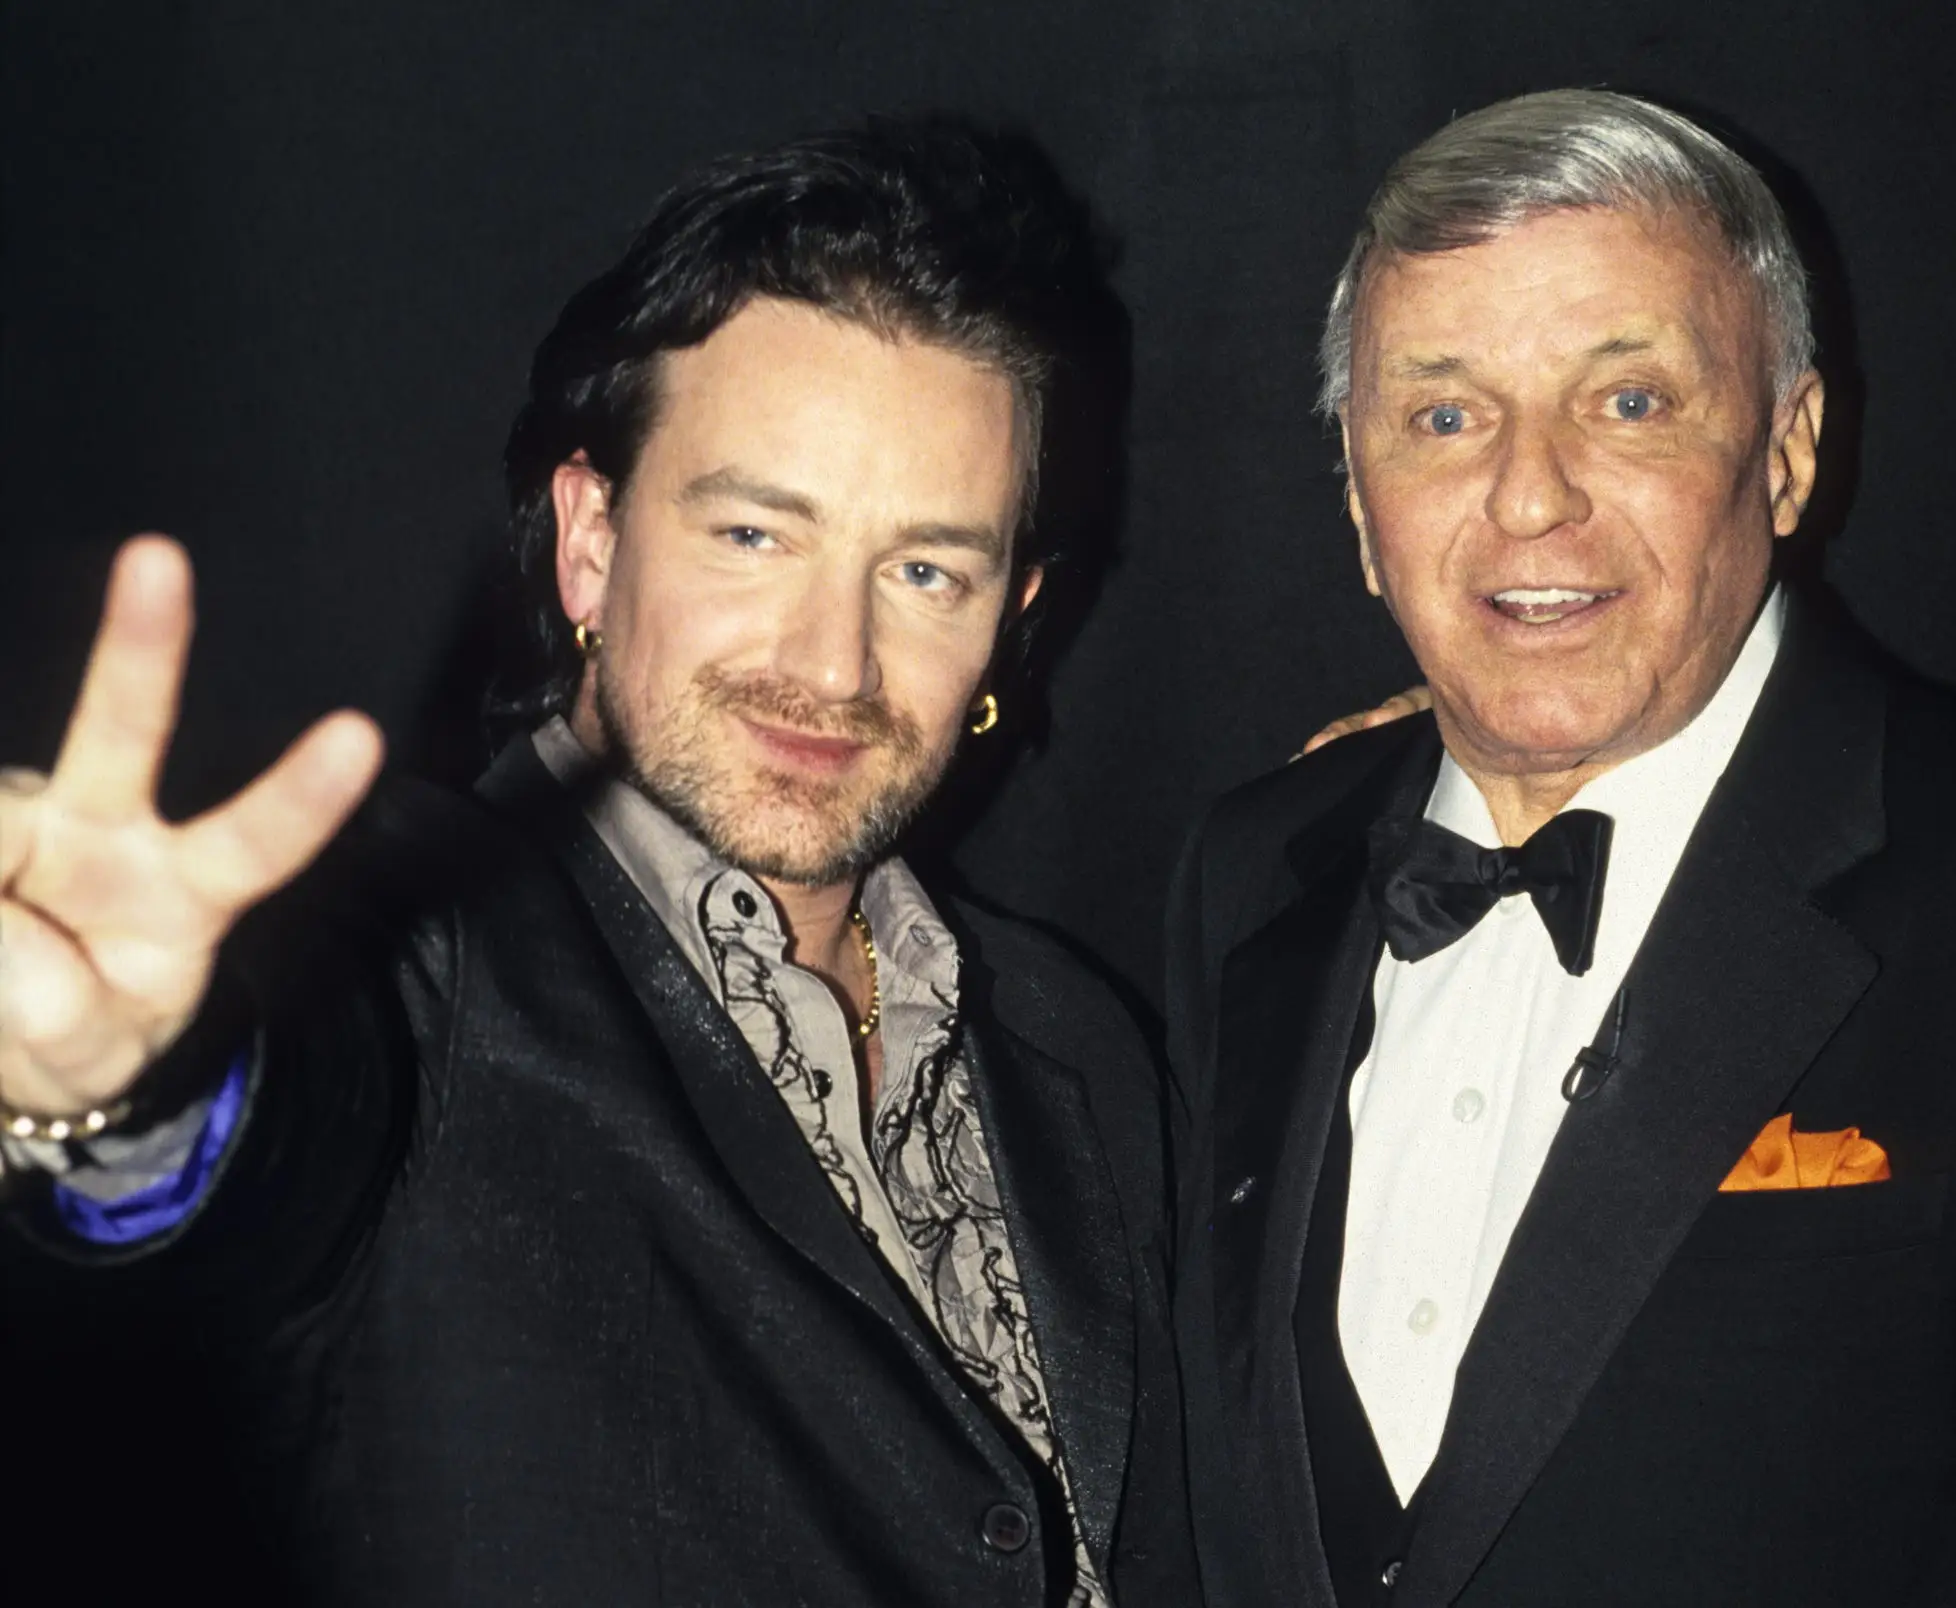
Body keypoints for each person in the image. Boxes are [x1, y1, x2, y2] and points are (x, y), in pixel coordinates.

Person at [0, 120, 1202, 1608]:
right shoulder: (403, 946)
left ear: (1012, 614)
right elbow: (266, 1138)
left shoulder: (1087, 1046)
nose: (836, 664)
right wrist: (121, 1094)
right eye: (757, 534)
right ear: (589, 541)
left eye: (924, 572)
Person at [1167, 89, 1956, 1608]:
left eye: (1628, 402)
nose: (1530, 492)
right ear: (1360, 503)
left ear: (1788, 452)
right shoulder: (1248, 872)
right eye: (1443, 414)